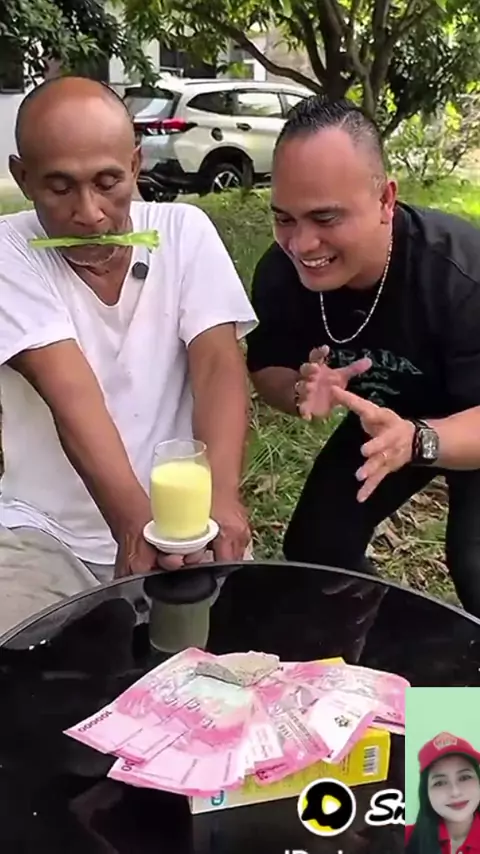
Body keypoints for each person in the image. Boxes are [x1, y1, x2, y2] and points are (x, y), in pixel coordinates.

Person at [0, 76, 257, 636]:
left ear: (136, 165)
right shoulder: (8, 251)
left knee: (243, 662)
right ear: (22, 178)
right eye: (59, 188)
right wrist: (135, 525)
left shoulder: (185, 232)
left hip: (185, 529)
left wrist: (221, 500)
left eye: (108, 182)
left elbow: (218, 365)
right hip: (46, 534)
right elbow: (70, 392)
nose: (89, 213)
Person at [246, 95, 480, 617]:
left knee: (475, 565)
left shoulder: (459, 276)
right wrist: (300, 390)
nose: (302, 244)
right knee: (316, 552)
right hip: (384, 421)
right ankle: (389, 655)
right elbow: (267, 367)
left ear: (385, 200)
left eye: (325, 217)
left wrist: (418, 440)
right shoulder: (281, 275)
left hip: (469, 418)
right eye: (284, 218)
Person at [406, 732, 480, 853]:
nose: (455, 792)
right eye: (440, 783)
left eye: (464, 777)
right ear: (426, 791)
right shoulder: (404, 838)